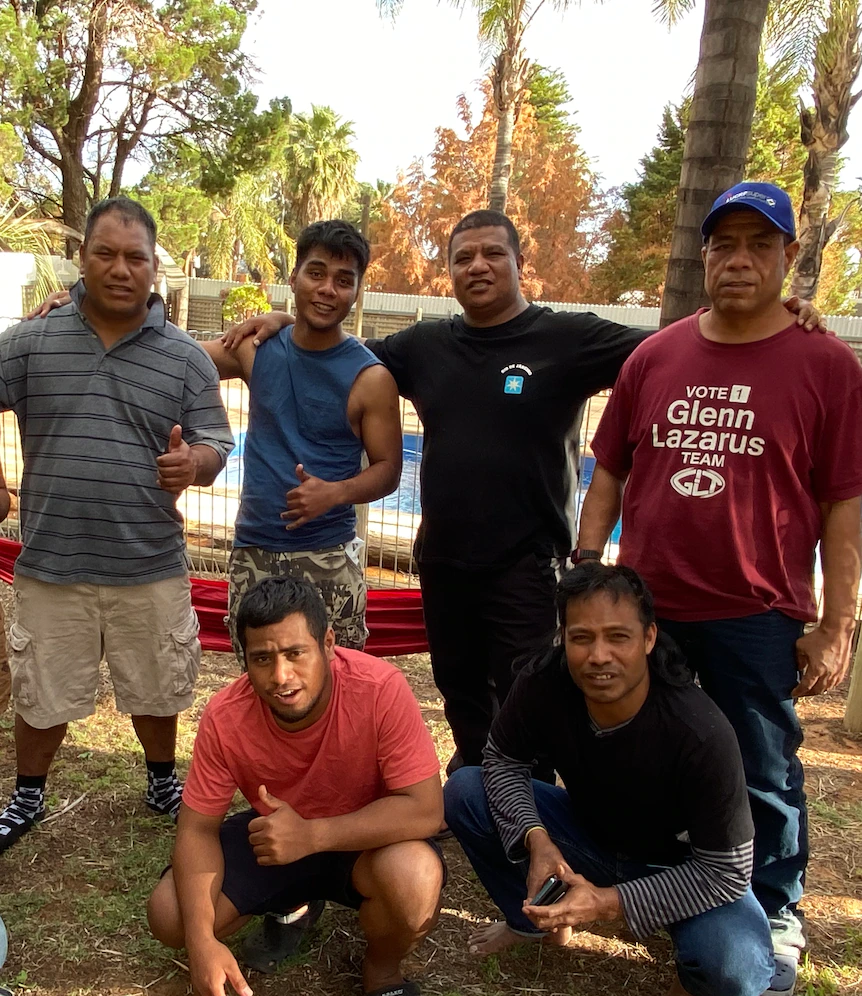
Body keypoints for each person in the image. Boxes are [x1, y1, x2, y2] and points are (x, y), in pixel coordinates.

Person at [225, 211, 824, 776]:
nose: (477, 266)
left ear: (519, 264)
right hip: (443, 554)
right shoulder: (425, 346)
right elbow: (330, 353)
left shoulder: (566, 337)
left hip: (528, 560)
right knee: (457, 681)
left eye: (492, 254)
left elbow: (674, 348)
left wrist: (768, 315)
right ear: (451, 271)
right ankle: (477, 775)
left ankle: (528, 788)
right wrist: (280, 320)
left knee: (526, 686)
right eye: (463, 258)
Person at [576, 182, 862, 996]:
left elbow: (845, 504)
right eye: (723, 245)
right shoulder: (655, 356)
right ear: (703, 254)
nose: (738, 261)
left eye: (759, 246)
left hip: (756, 612)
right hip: (648, 608)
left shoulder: (825, 366)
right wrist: (587, 563)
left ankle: (774, 907)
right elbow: (611, 472)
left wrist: (836, 622)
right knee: (644, 749)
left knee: (763, 766)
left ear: (788, 257)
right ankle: (671, 878)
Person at [445, 564, 774, 996]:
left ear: (649, 638)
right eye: (582, 638)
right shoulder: (543, 683)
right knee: (466, 790)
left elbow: (725, 871)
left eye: (618, 637)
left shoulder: (700, 730)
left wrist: (605, 903)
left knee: (737, 970)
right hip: (589, 837)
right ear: (563, 638)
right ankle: (533, 918)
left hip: (683, 868)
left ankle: (691, 982)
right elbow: (502, 759)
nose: (598, 656)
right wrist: (537, 841)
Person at [0, 196, 234, 854]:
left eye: (136, 257)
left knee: (157, 683)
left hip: (148, 563)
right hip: (52, 562)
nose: (121, 268)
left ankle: (161, 782)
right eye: (106, 253)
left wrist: (196, 461)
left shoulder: (185, 357)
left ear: (155, 268)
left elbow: (218, 443)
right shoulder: (30, 342)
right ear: (83, 259)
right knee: (41, 688)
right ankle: (27, 795)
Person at [146, 575, 445, 996]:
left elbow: (426, 809)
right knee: (170, 916)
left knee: (414, 876)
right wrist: (200, 943)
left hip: (362, 839)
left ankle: (383, 973)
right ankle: (294, 905)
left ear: (328, 643)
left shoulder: (380, 689)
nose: (280, 676)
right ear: (243, 658)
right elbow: (196, 829)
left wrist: (315, 835)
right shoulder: (225, 715)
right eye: (262, 659)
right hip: (278, 838)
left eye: (295, 653)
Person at [203, 220, 401, 656]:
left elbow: (389, 469)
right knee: (260, 686)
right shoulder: (257, 349)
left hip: (328, 555)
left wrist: (334, 493)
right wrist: (91, 309)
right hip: (254, 550)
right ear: (293, 278)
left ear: (357, 292)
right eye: (316, 273)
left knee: (340, 685)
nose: (328, 289)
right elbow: (176, 356)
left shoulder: (370, 378)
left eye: (343, 280)